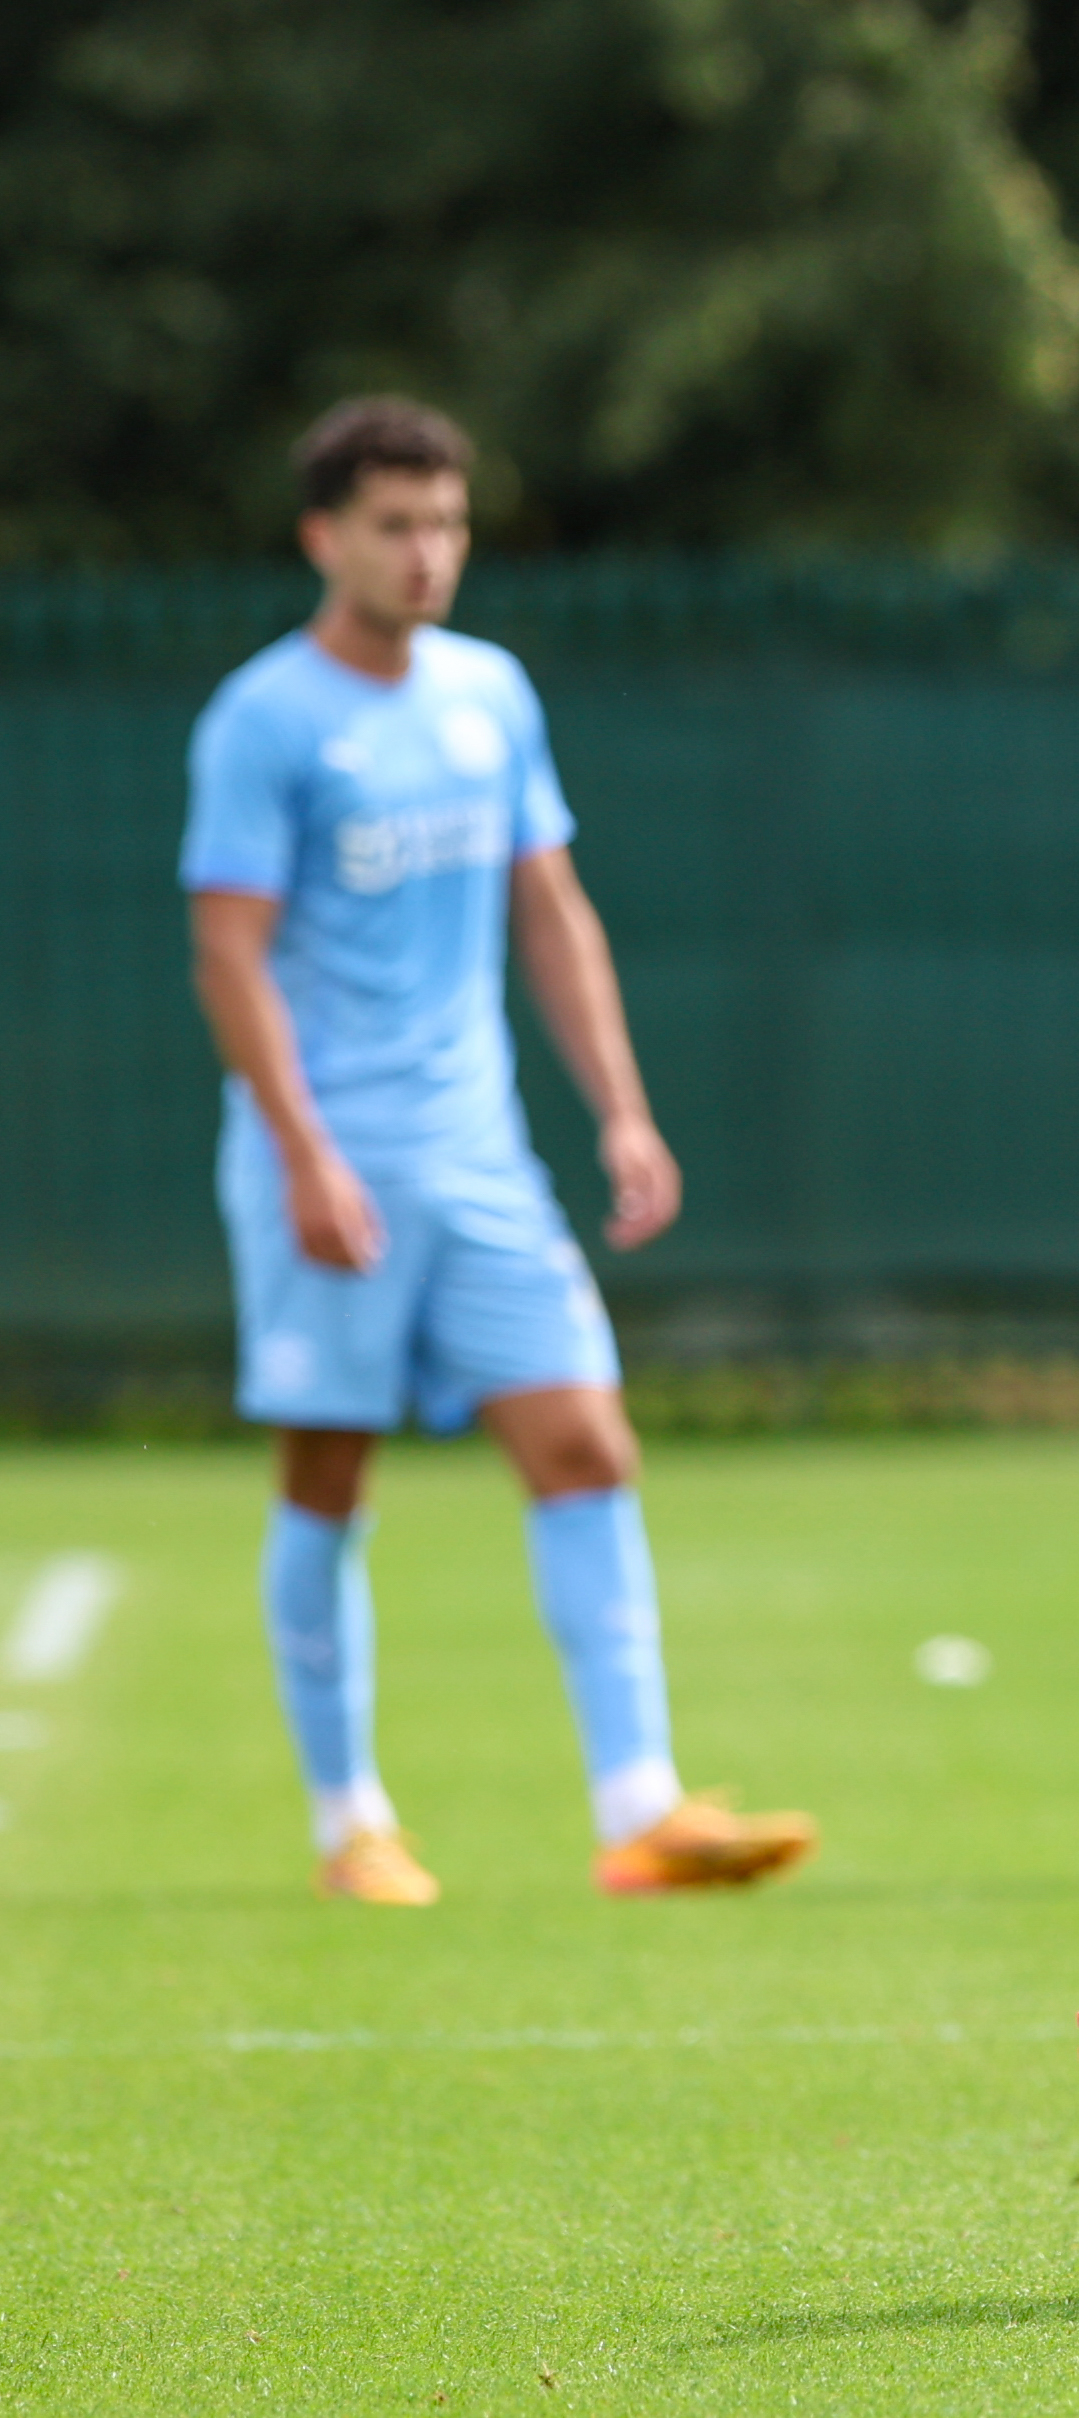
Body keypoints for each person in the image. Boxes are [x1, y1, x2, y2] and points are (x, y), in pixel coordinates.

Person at [181, 396, 816, 1907]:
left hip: (480, 1164)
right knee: (330, 1472)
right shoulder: (264, 719)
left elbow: (551, 908)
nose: (428, 553)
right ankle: (352, 1824)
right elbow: (229, 953)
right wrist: (304, 1152)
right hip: (334, 1167)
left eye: (448, 523)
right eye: (396, 525)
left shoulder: (490, 695)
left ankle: (641, 1809)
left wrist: (621, 1107)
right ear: (323, 537)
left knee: (586, 1440)